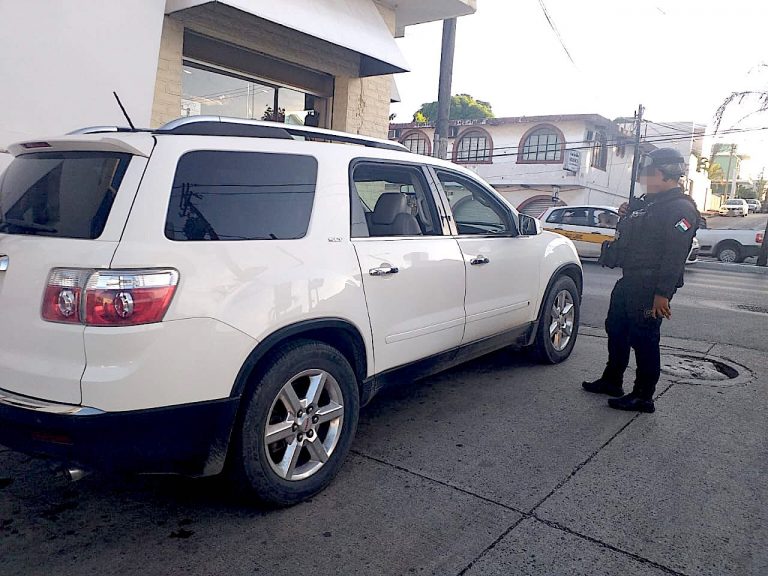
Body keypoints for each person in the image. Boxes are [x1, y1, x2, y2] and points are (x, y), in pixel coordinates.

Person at [583, 148, 700, 413]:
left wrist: (663, 294)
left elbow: (675, 256)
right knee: (617, 329)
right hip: (630, 280)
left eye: (651, 173)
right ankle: (612, 380)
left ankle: (643, 396)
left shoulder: (680, 209)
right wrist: (629, 210)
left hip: (651, 288)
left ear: (665, 174)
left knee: (645, 338)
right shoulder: (650, 203)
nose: (645, 178)